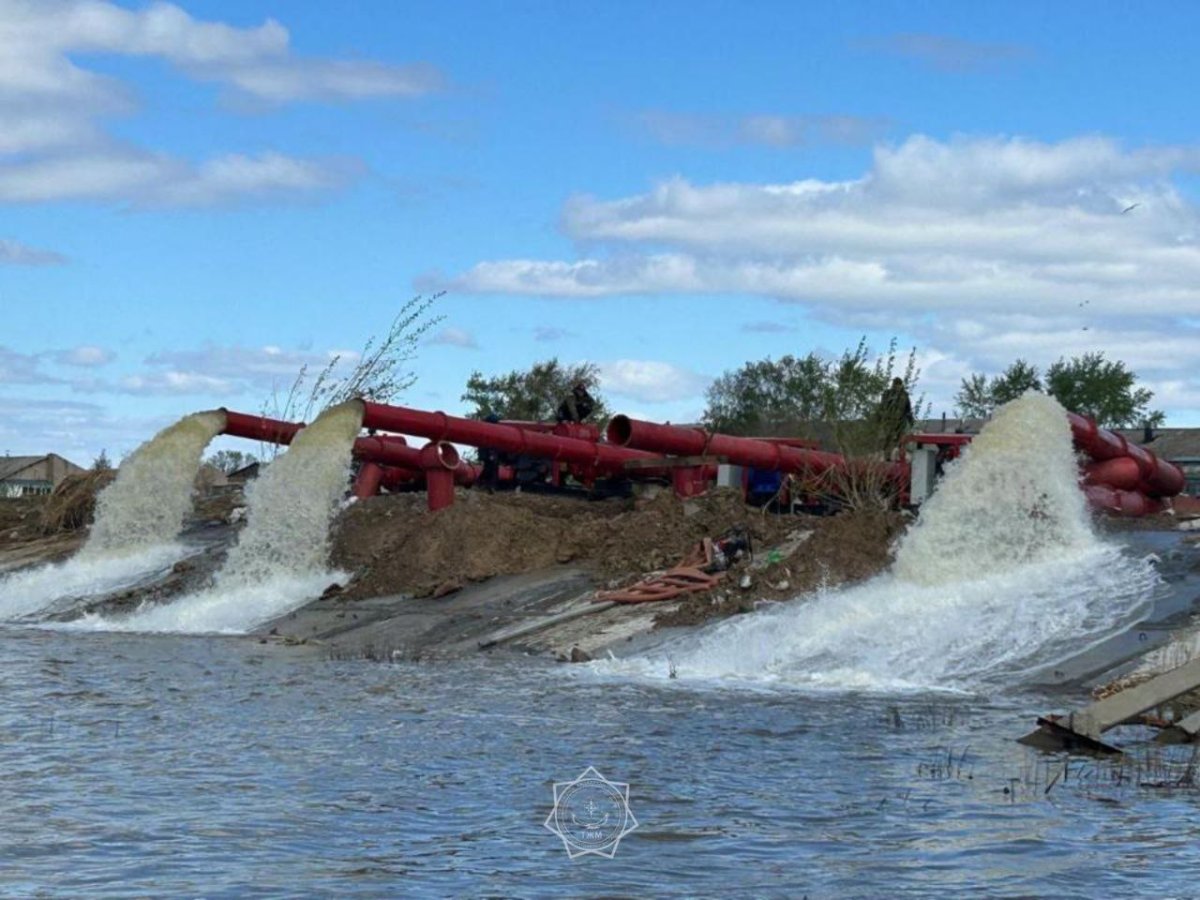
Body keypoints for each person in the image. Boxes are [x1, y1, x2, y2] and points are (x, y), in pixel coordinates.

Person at [878, 377, 914, 454]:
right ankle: (887, 455)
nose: (897, 386)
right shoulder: (887, 394)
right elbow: (882, 407)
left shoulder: (904, 395)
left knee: (901, 438)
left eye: (899, 385)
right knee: (888, 438)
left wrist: (911, 422)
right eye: (895, 384)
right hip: (889, 420)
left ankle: (900, 454)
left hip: (901, 420)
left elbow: (908, 409)